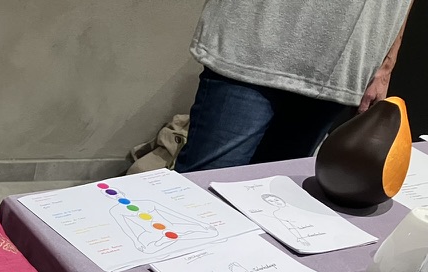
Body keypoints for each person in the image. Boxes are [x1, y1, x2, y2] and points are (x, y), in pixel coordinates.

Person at [175, 0, 413, 173]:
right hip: (252, 36)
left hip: (341, 65)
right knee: (203, 192)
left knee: (268, 196)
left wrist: (388, 62)